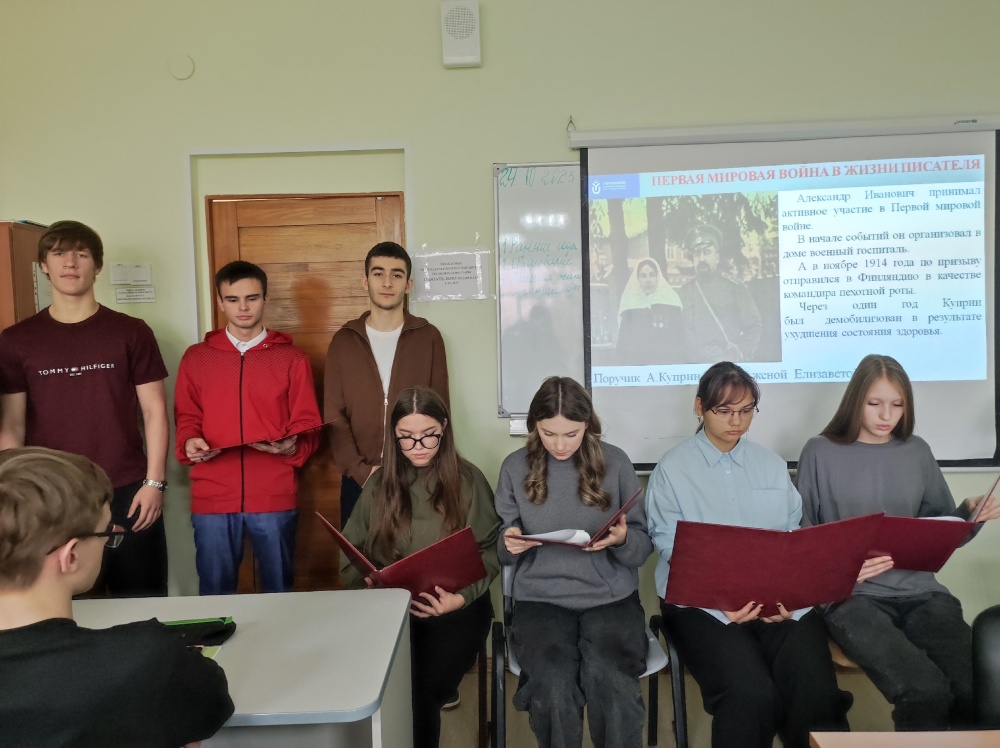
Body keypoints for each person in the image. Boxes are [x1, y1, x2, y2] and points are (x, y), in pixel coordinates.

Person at [646, 362, 851, 748]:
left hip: (776, 602)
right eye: (724, 411)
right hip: (702, 606)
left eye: (746, 410)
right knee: (750, 694)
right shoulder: (672, 469)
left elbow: (794, 539)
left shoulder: (771, 465)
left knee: (815, 691)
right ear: (700, 407)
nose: (736, 421)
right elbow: (672, 549)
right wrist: (720, 601)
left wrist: (793, 598)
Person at [797, 353, 1000, 731]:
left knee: (973, 690)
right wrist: (844, 568)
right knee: (924, 691)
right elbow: (802, 540)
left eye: (897, 405)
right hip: (852, 598)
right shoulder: (819, 452)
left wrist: (970, 514)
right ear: (855, 400)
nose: (886, 415)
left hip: (923, 594)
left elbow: (941, 529)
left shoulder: (916, 451)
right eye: (874, 403)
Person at [0, 447, 234, 748]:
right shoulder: (147, 661)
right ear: (71, 556)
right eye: (106, 532)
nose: (109, 538)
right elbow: (206, 709)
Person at [0, 220, 169, 597]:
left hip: (128, 490)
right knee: (67, 605)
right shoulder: (16, 341)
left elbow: (155, 412)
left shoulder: (131, 331)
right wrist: (14, 493)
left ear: (97, 266)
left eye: (81, 254)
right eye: (59, 253)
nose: (70, 263)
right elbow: (12, 425)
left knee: (142, 601)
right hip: (51, 495)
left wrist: (154, 483)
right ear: (44, 265)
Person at [495, 376, 652, 748]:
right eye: (549, 434)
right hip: (540, 599)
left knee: (611, 681)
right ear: (534, 426)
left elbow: (642, 546)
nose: (560, 445)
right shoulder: (515, 468)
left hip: (610, 598)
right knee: (552, 684)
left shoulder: (616, 463)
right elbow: (501, 551)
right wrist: (511, 544)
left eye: (572, 434)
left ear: (588, 425)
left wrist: (622, 539)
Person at [339, 386, 499, 748]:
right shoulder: (379, 484)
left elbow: (490, 551)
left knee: (418, 689)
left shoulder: (469, 480)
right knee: (373, 680)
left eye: (429, 436)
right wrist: (366, 584)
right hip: (390, 610)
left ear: (444, 428)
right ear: (394, 436)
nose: (418, 447)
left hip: (455, 611)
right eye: (406, 438)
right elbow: (350, 550)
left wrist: (461, 598)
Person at [174, 261, 321, 595]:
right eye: (233, 299)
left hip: (273, 494)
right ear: (220, 301)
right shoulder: (196, 358)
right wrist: (190, 440)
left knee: (278, 591)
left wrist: (293, 445)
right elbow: (186, 417)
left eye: (251, 298)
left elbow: (309, 423)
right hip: (213, 495)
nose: (243, 307)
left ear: (265, 299)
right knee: (214, 594)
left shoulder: (292, 359)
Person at [324, 241, 449, 526]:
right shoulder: (344, 340)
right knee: (360, 554)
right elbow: (333, 415)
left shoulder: (428, 336)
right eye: (378, 273)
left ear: (408, 284)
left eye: (397, 274)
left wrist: (425, 466)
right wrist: (359, 471)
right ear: (365, 281)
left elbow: (440, 409)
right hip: (359, 479)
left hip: (417, 476)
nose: (387, 282)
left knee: (416, 553)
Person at [677, 224, 762, 363]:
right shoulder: (684, 292)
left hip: (725, 363)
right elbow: (678, 334)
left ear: (717, 257)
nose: (702, 258)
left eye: (707, 252)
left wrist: (742, 353)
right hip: (694, 364)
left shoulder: (735, 288)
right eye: (697, 254)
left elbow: (754, 326)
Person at [616, 257, 684, 364]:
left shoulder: (670, 303)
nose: (648, 280)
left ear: (658, 277)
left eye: (652, 275)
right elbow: (623, 344)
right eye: (643, 276)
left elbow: (679, 338)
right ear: (637, 279)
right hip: (638, 364)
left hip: (665, 363)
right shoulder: (630, 306)